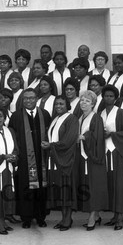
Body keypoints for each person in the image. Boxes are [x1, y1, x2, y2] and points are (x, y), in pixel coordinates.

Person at [9, 88, 52, 228]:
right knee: (25, 188)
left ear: (36, 99)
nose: (28, 100)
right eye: (26, 98)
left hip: (41, 158)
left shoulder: (44, 114)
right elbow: (12, 138)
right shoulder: (15, 116)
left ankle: (40, 216)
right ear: (22, 100)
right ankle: (26, 217)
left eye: (32, 98)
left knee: (41, 187)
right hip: (24, 159)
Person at [41, 95, 79, 231]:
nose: (58, 106)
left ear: (67, 105)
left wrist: (50, 145)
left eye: (61, 104)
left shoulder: (72, 119)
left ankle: (68, 219)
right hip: (56, 159)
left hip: (66, 160)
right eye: (56, 104)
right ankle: (63, 218)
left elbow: (68, 140)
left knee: (66, 190)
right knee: (60, 190)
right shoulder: (55, 119)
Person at [99, 84, 123, 230]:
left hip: (117, 152)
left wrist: (112, 134)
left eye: (111, 96)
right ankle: (114, 215)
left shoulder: (121, 113)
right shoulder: (100, 113)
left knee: (119, 185)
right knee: (109, 184)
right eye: (106, 95)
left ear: (116, 98)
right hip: (105, 153)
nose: (108, 98)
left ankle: (120, 216)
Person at [76, 90, 108, 230]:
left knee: (94, 186)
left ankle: (92, 217)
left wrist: (85, 137)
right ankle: (95, 215)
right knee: (88, 186)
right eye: (82, 100)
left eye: (87, 101)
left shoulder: (96, 118)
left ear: (93, 104)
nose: (83, 103)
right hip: (83, 156)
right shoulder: (80, 117)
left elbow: (98, 137)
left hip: (93, 157)